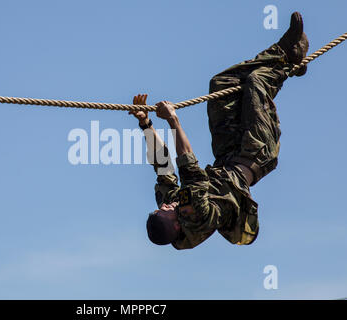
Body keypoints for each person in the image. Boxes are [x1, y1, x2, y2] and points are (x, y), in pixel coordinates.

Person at [129, 12, 309, 249]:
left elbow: (163, 166)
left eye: (158, 208)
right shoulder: (196, 216)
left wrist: (146, 124)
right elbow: (188, 166)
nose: (163, 206)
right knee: (256, 83)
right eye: (163, 212)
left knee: (221, 85)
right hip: (255, 155)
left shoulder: (173, 204)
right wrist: (173, 120)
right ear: (176, 227)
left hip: (227, 155)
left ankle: (289, 58)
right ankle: (287, 55)